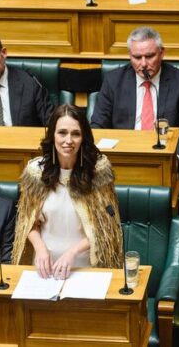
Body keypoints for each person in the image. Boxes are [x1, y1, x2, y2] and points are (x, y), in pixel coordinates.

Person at [11, 104, 123, 279]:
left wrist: (73, 252)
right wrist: (40, 248)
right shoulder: (36, 173)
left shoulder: (97, 173)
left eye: (75, 134)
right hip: (45, 269)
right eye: (62, 132)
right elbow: (28, 223)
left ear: (83, 137)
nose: (68, 140)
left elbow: (106, 229)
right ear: (53, 135)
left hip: (84, 267)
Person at [90, 26, 179, 160]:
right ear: (129, 56)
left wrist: (174, 160)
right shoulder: (113, 81)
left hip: (163, 156)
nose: (143, 64)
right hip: (122, 153)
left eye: (149, 56)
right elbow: (98, 125)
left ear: (161, 53)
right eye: (137, 57)